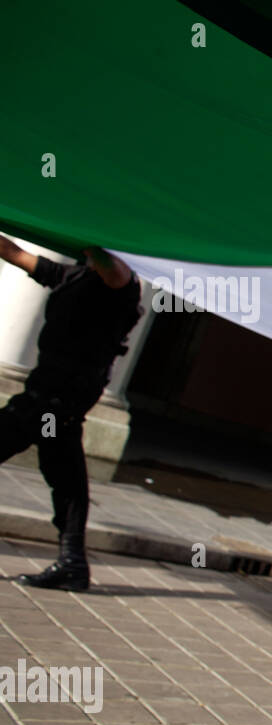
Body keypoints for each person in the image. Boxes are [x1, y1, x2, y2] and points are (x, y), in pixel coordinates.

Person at [0, 236, 142, 591]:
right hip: (53, 403)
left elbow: (117, 273)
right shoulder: (72, 276)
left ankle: (73, 564)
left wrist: (92, 236)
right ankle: (73, 565)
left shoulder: (122, 289)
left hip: (53, 402)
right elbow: (14, 253)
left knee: (60, 470)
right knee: (67, 480)